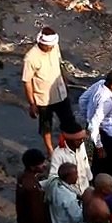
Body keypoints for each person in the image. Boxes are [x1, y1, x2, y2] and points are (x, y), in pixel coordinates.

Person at [22, 27, 75, 157]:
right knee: (46, 126)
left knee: (68, 121)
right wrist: (32, 103)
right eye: (48, 46)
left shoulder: (55, 47)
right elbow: (27, 81)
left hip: (60, 93)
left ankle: (70, 146)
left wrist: (65, 81)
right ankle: (50, 150)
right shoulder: (31, 58)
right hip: (43, 98)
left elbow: (59, 65)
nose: (50, 48)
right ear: (41, 43)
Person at [79, 70, 112, 178]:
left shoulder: (100, 83)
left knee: (99, 162)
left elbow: (82, 100)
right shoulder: (107, 100)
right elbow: (95, 123)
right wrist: (99, 146)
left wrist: (87, 116)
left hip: (95, 129)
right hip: (104, 133)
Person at [49, 122, 93, 195]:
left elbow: (85, 163)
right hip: (71, 193)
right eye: (78, 140)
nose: (81, 142)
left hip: (85, 189)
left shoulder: (81, 147)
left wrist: (90, 179)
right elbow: (53, 178)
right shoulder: (58, 154)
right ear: (68, 139)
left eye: (82, 139)